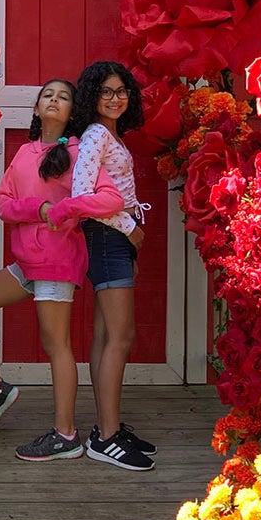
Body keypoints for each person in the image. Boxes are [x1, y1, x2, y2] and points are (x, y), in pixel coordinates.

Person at [0, 79, 123, 461]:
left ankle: (65, 435)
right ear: (36, 109)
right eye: (47, 95)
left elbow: (111, 198)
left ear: (71, 112)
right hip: (27, 262)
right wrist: (40, 209)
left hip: (57, 261)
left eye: (63, 97)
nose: (54, 99)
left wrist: (67, 210)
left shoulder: (80, 152)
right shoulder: (24, 152)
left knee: (56, 345)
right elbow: (3, 203)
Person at [61, 60, 155, 471]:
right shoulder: (97, 134)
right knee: (121, 336)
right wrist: (129, 228)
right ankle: (107, 437)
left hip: (113, 239)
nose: (115, 99)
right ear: (92, 97)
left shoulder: (110, 134)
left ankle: (106, 427)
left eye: (121, 91)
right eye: (106, 92)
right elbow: (83, 197)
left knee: (105, 335)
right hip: (108, 237)